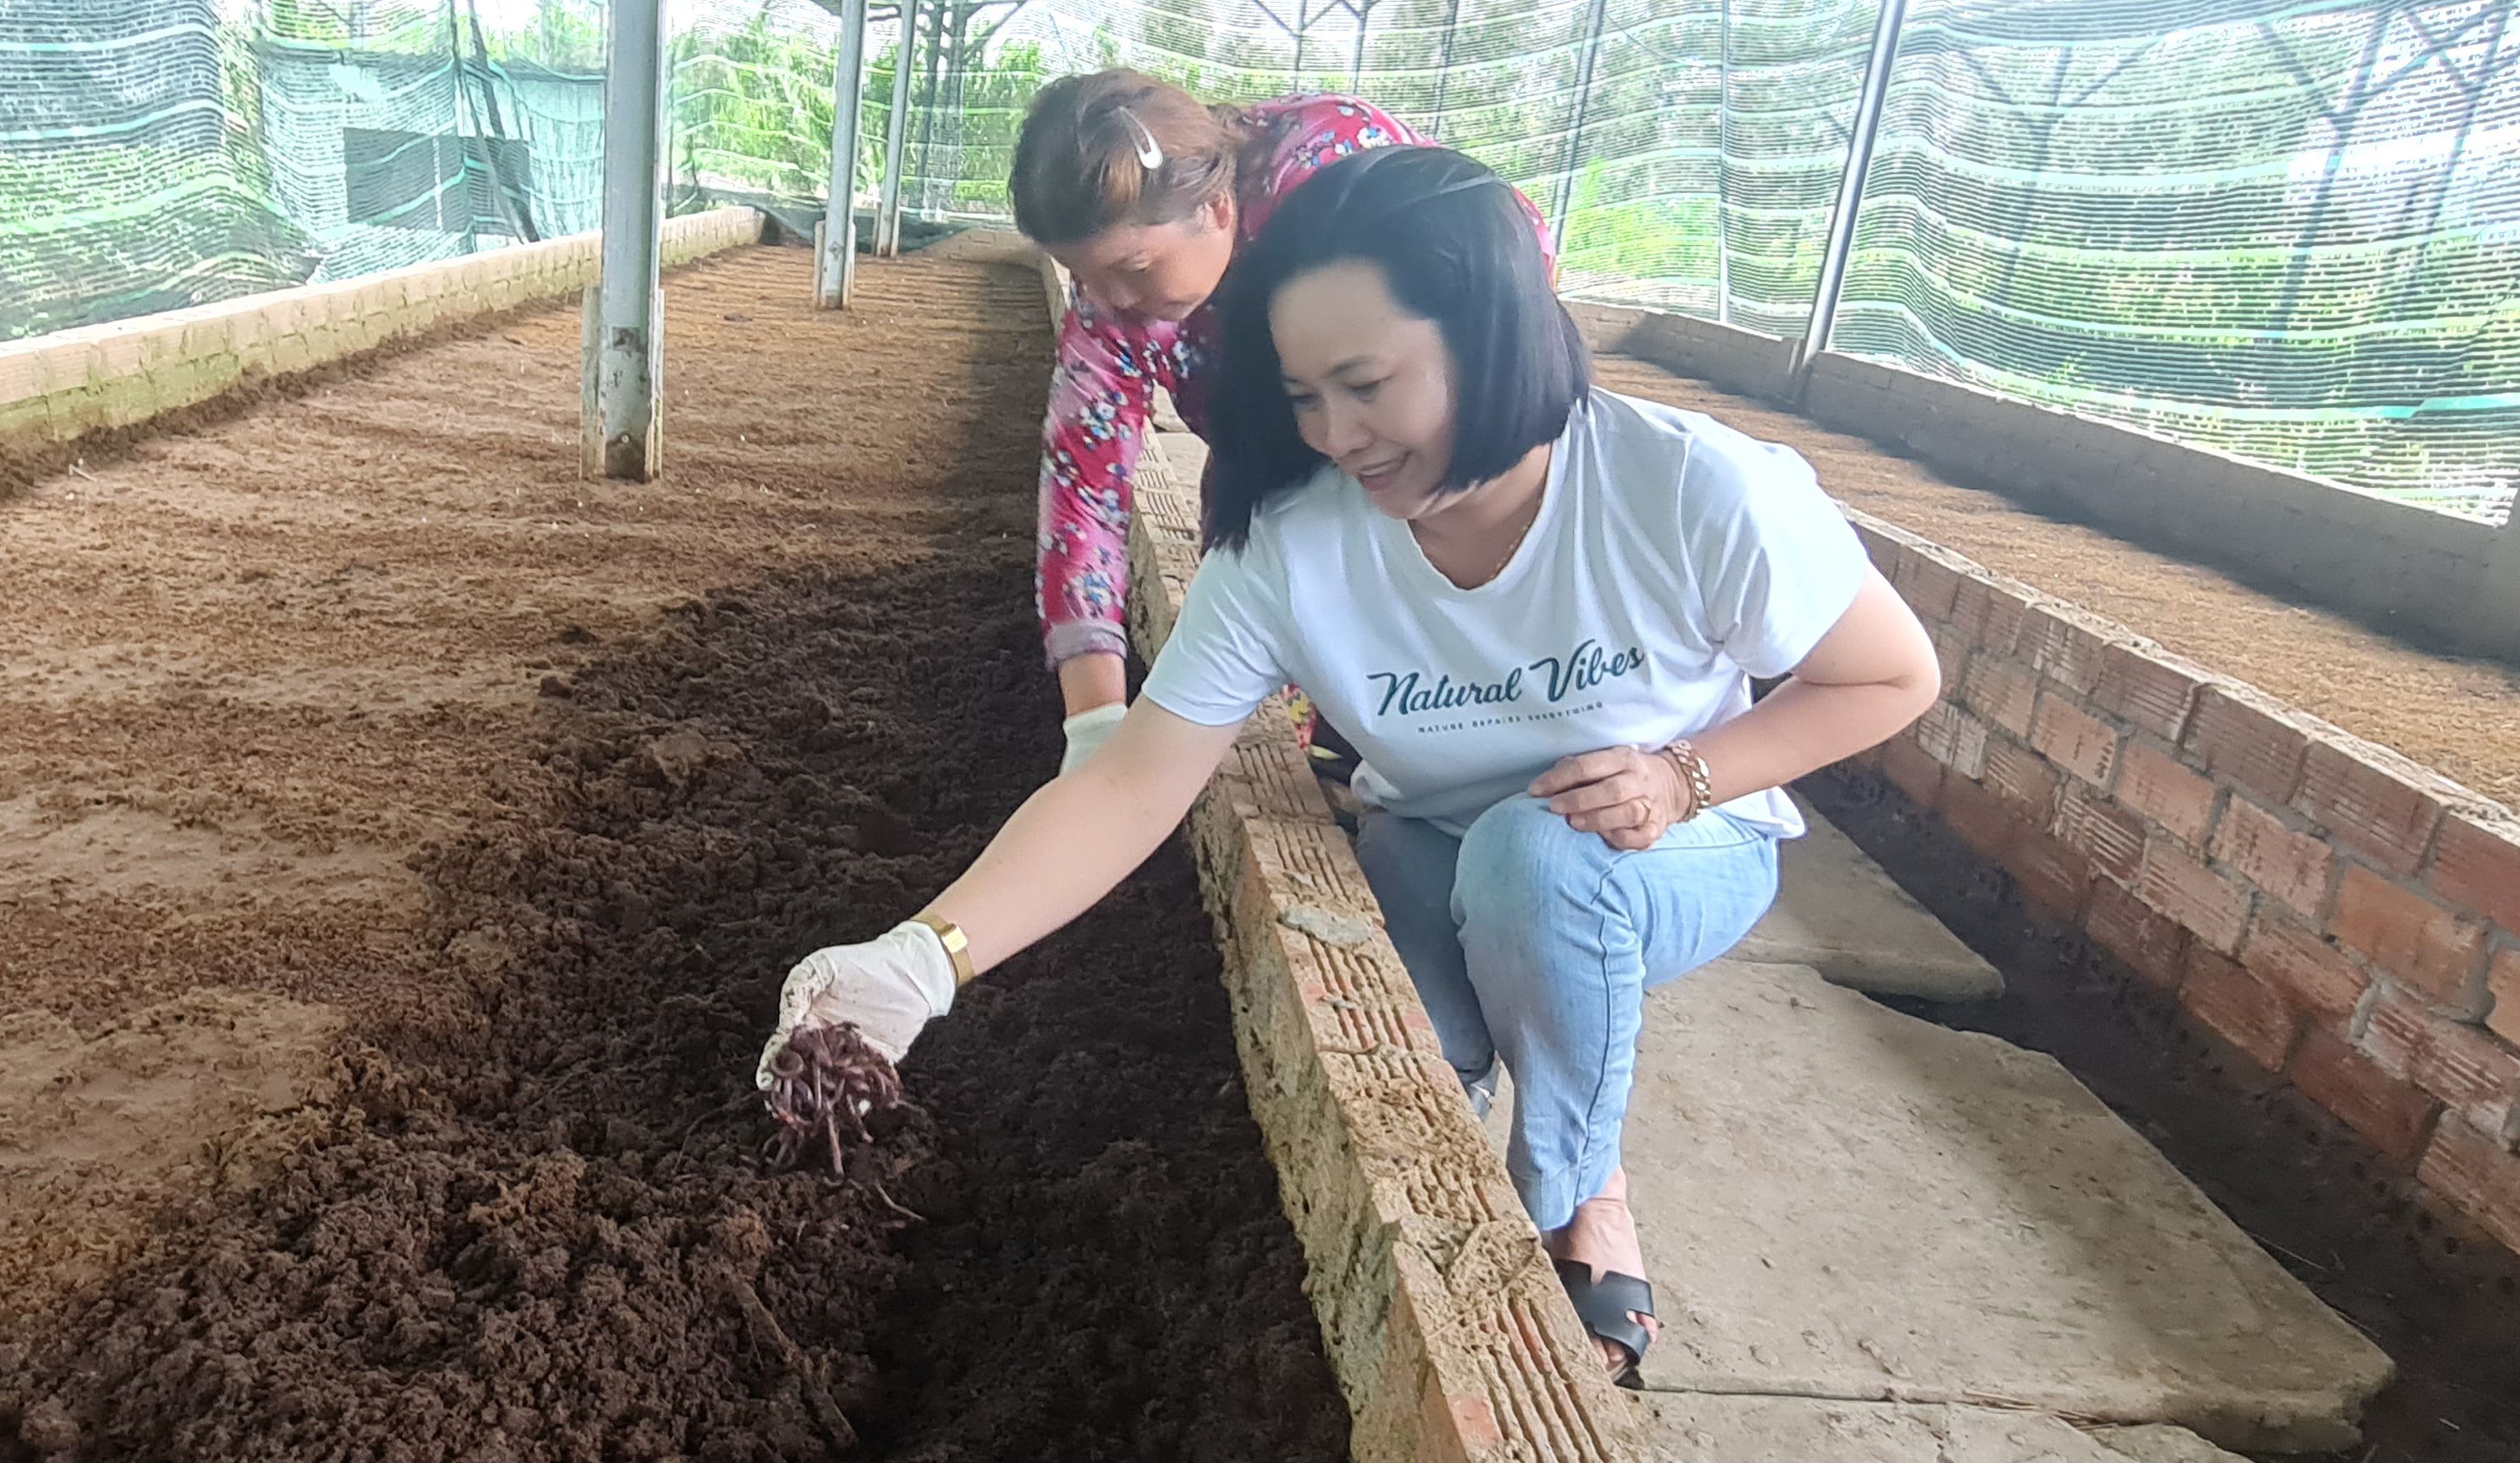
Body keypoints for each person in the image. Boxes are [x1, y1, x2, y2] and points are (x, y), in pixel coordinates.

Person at [760, 146, 1940, 1384]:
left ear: (1490, 333)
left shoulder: (1687, 489)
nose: (1336, 436)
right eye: (1304, 396)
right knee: (1414, 1050)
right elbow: (1131, 780)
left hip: (1671, 842)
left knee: (1537, 858)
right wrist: (921, 959)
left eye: (1367, 384)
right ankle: (1461, 1197)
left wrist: (1683, 776)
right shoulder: (1295, 544)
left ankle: (1570, 1201)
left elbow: (1891, 676)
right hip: (1430, 845)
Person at [1009, 69, 1555, 774]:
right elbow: (1083, 490)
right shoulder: (1112, 310)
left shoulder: (1338, 179)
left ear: (1216, 208)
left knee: (1403, 565)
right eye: (1084, 276)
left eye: (1136, 267)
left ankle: (1444, 745)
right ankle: (1320, 752)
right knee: (1252, 559)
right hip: (1261, 432)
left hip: (1428, 427)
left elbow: (1502, 275)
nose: (1112, 300)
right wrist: (1095, 724)